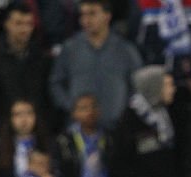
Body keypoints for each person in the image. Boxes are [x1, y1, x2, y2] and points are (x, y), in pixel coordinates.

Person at [48, 0, 143, 129]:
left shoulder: (125, 49)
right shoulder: (70, 49)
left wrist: (126, 111)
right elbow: (56, 83)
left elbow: (139, 86)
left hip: (117, 129)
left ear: (107, 16)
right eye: (83, 15)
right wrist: (71, 106)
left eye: (92, 14)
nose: (86, 20)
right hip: (79, 129)